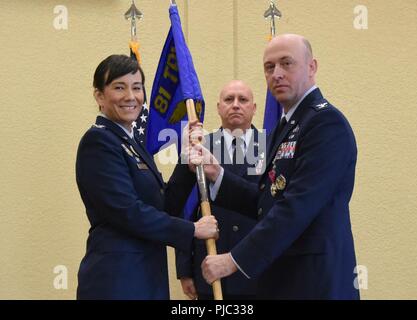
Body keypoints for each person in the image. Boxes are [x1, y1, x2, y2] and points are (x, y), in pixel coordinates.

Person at [190, 34, 359, 299]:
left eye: (286, 63)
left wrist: (233, 260)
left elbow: (296, 207)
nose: (277, 73)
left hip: (314, 281)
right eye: (270, 67)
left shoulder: (325, 123)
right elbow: (267, 200)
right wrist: (217, 173)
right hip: (284, 278)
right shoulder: (287, 125)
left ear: (311, 67)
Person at [75, 54, 218, 300]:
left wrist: (187, 162)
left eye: (137, 87)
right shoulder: (98, 141)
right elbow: (127, 212)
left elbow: (162, 205)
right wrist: (191, 229)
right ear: (99, 96)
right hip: (118, 282)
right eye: (119, 87)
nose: (131, 97)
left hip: (145, 279)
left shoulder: (130, 143)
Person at [176, 80, 263, 300]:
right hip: (209, 269)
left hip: (258, 271)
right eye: (228, 99)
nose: (235, 105)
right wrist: (184, 270)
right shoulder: (198, 148)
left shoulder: (271, 147)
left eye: (242, 100)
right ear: (218, 107)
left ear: (254, 108)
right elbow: (185, 210)